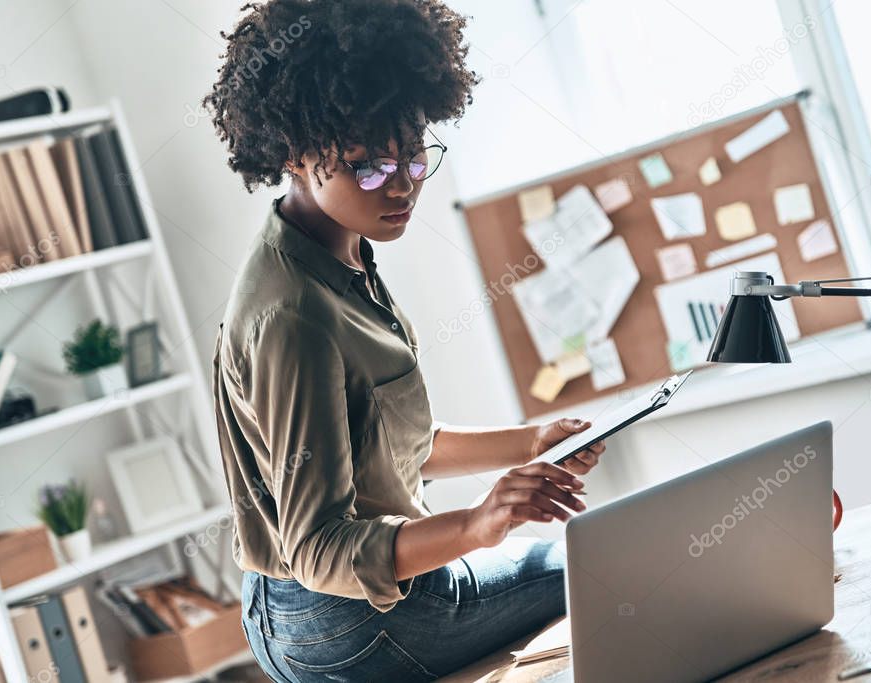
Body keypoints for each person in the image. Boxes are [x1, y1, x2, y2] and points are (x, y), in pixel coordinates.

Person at [203, 1, 604, 680]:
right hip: (345, 616)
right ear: (297, 156)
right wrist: (479, 524)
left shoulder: (336, 251)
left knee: (593, 556)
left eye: (413, 156)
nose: (400, 186)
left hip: (328, 610)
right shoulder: (295, 316)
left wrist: (529, 443)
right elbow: (320, 550)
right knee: (607, 562)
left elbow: (384, 449)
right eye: (367, 167)